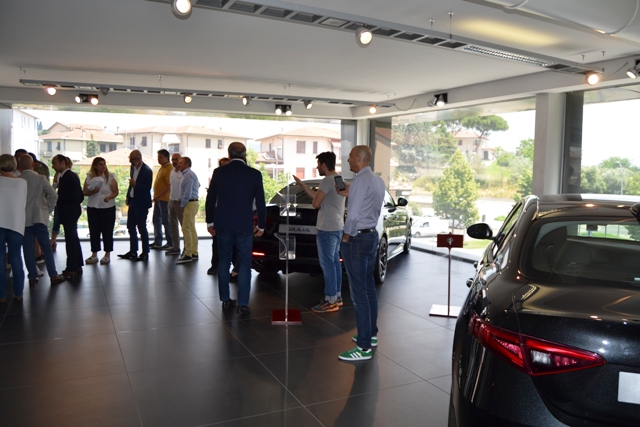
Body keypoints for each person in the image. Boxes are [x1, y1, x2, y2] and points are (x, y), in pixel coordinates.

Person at [337, 145, 385, 362]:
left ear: (358, 158)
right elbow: (368, 204)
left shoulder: (360, 181)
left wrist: (346, 237)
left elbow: (354, 214)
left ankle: (363, 346)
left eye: (350, 157)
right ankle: (370, 335)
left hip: (356, 239)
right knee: (368, 288)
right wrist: (351, 191)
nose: (348, 160)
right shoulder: (377, 180)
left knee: (358, 294)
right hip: (371, 235)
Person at [206, 142, 266, 314]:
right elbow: (260, 202)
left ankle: (225, 300)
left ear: (229, 154)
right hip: (244, 225)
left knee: (224, 261)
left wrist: (210, 222)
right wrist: (261, 225)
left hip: (223, 224)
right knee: (245, 263)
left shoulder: (219, 172)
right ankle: (243, 304)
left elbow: (211, 199)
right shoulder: (254, 174)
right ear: (245, 155)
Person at [292, 151, 345, 313]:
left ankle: (330, 300)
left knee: (328, 264)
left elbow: (316, 203)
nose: (317, 168)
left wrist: (315, 199)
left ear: (324, 165)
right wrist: (303, 186)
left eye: (318, 165)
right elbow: (321, 197)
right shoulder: (338, 179)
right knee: (334, 262)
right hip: (337, 227)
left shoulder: (327, 180)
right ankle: (336, 296)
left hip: (327, 228)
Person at [18, 155, 65, 285]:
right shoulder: (40, 178)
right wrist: (48, 209)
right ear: (33, 164)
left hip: (24, 218)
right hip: (39, 216)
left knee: (28, 248)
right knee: (46, 247)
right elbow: (53, 195)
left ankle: (32, 276)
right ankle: (53, 275)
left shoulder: (19, 180)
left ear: (20, 166)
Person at [52, 154, 85, 278]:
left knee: (71, 241)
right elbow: (80, 196)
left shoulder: (68, 177)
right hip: (71, 211)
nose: (53, 166)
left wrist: (59, 198)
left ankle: (72, 268)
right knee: (73, 239)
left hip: (69, 212)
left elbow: (76, 196)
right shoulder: (68, 176)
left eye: (55, 163)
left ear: (62, 163)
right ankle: (77, 265)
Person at [0, 154, 27, 302]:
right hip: (16, 223)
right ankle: (18, 293)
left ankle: (1, 295)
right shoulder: (22, 183)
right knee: (16, 257)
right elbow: (22, 203)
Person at [83, 157, 118, 265]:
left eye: (104, 164)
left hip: (107, 208)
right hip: (93, 207)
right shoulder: (89, 177)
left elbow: (115, 191)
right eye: (100, 164)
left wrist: (109, 197)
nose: (103, 166)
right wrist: (93, 191)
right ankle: (94, 254)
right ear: (95, 166)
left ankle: (107, 254)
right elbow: (84, 192)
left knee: (107, 231)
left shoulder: (110, 177)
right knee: (94, 231)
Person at [118, 150, 152, 261]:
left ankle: (145, 252)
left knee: (142, 227)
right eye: (130, 159)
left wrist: (135, 185)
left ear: (139, 158)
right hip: (133, 201)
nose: (130, 161)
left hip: (142, 203)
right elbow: (131, 184)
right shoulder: (132, 168)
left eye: (132, 159)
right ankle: (133, 251)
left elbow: (147, 188)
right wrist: (128, 196)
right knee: (130, 226)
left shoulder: (147, 171)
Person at [207, 157, 229, 275]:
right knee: (216, 241)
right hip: (218, 211)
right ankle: (215, 265)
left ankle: (235, 267)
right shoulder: (216, 178)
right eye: (222, 165)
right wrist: (209, 221)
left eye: (226, 165)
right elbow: (210, 199)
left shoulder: (234, 179)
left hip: (231, 213)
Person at [176, 156, 199, 264]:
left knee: (185, 228)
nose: (178, 164)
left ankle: (188, 254)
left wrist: (183, 204)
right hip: (192, 202)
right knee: (191, 227)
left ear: (187, 164)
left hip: (190, 203)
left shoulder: (188, 175)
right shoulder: (188, 174)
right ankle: (194, 252)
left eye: (181, 163)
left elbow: (188, 192)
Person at [150, 149, 173, 250]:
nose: (158, 159)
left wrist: (159, 196)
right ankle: (158, 241)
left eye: (160, 157)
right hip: (159, 199)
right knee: (156, 220)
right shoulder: (162, 168)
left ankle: (170, 242)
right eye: (158, 157)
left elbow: (169, 185)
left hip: (165, 199)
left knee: (166, 221)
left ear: (166, 157)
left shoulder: (169, 168)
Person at [50, 156, 72, 252]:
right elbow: (54, 186)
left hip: (67, 205)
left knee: (69, 227)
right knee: (56, 222)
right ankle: (53, 240)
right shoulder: (58, 174)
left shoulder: (71, 176)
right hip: (59, 202)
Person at [166, 153, 183, 256]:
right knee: (173, 226)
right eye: (173, 159)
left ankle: (188, 250)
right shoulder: (172, 171)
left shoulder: (184, 172)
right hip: (171, 201)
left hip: (180, 203)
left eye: (176, 159)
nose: (174, 161)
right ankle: (176, 247)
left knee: (184, 226)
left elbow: (195, 185)